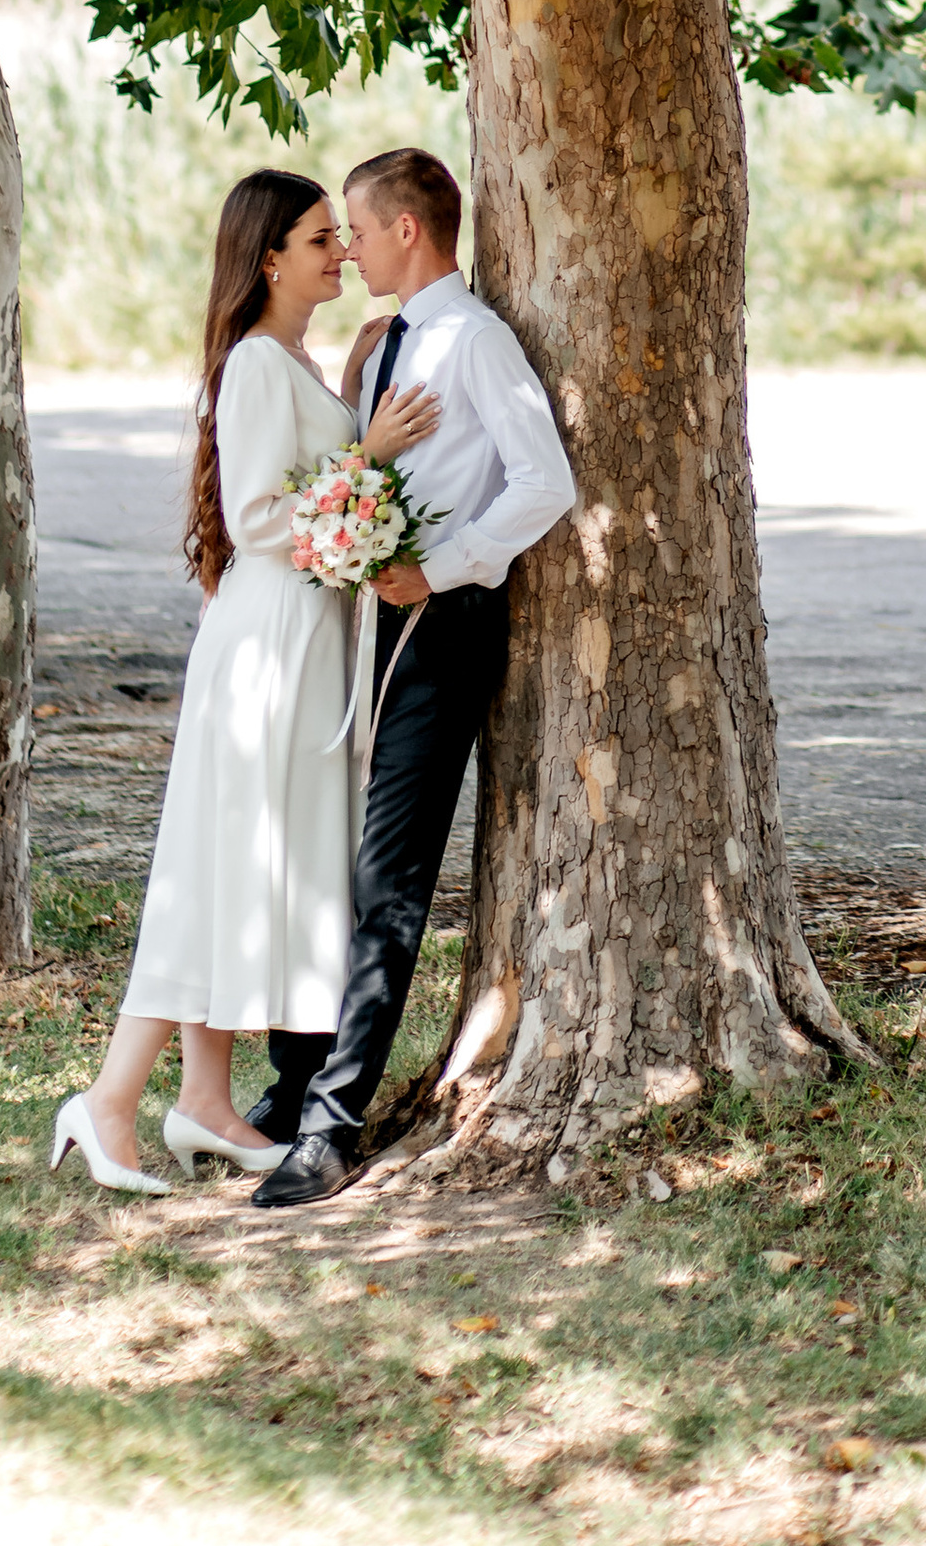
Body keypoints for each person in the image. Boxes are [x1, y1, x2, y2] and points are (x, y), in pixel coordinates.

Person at [51, 169, 441, 1193]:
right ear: (268, 258)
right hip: (271, 640)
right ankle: (108, 1104)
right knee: (221, 867)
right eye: (320, 239)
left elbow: (303, 479)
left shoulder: (292, 364)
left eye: (338, 237)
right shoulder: (259, 369)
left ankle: (207, 1101)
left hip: (298, 636)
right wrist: (370, 452)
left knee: (236, 870)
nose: (341, 252)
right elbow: (262, 516)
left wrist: (352, 404)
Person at [250, 144, 575, 1210]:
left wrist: (436, 570)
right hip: (374, 623)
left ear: (405, 229)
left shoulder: (473, 342)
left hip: (440, 627)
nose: (344, 245)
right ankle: (296, 1080)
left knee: (389, 879)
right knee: (331, 854)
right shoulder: (394, 339)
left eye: (354, 226)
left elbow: (545, 484)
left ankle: (331, 1126)